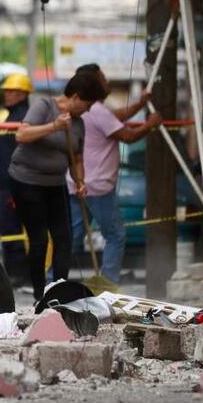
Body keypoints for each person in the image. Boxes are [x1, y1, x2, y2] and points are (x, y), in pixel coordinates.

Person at [8, 71, 105, 302]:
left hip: (56, 183)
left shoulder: (79, 124)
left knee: (65, 237)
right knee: (40, 239)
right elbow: (21, 135)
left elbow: (76, 160)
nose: (88, 110)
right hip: (26, 181)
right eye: (88, 105)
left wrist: (80, 181)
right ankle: (39, 294)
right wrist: (54, 126)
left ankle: (59, 291)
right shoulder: (44, 107)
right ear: (76, 98)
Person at [67, 64, 162, 284]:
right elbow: (127, 136)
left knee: (72, 237)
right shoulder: (97, 110)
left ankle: (53, 279)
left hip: (78, 183)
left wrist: (140, 103)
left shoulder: (92, 110)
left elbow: (117, 116)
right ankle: (108, 285)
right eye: (102, 78)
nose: (106, 82)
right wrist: (150, 124)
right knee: (115, 236)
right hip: (97, 185)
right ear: (93, 82)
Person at [0, 73, 32, 280]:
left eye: (11, 91)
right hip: (7, 184)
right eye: (5, 91)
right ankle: (16, 273)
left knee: (10, 227)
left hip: (14, 185)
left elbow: (20, 155)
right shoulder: (13, 116)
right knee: (8, 227)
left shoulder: (22, 117)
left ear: (23, 94)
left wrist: (15, 187)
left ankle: (17, 274)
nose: (7, 95)